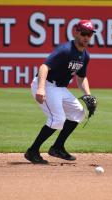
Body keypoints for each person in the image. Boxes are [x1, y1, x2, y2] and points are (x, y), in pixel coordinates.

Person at [24, 19, 96, 164]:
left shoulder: (85, 55)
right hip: (47, 85)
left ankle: (57, 147)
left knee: (78, 112)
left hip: (60, 88)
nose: (86, 37)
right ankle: (32, 151)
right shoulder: (65, 50)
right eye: (83, 33)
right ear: (76, 32)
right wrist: (41, 88)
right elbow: (44, 67)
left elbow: (81, 78)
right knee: (58, 119)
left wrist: (88, 94)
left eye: (89, 34)